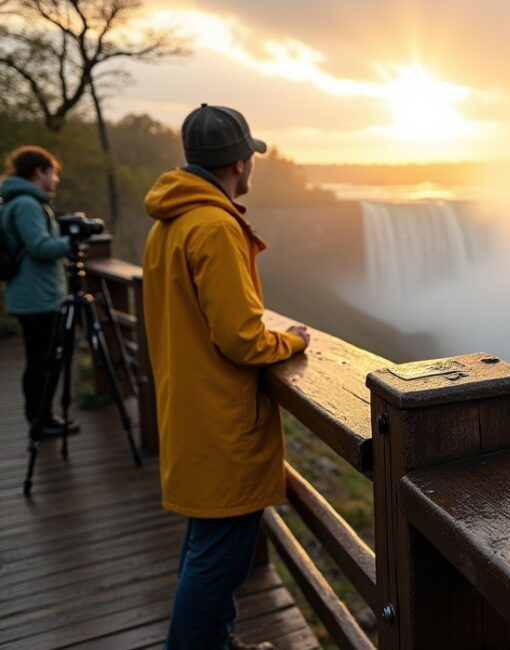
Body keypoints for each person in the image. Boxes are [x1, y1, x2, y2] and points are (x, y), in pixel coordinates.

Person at [142, 104, 311, 650]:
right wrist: (292, 342)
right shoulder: (214, 226)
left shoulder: (169, 224)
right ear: (239, 163)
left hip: (190, 412)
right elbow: (240, 337)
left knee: (205, 544)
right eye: (252, 157)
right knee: (219, 560)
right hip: (222, 422)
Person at [1, 146, 79, 436]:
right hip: (36, 296)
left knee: (41, 358)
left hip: (33, 293)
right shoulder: (26, 205)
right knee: (42, 359)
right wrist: (73, 242)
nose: (56, 179)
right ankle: (39, 420)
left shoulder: (20, 201)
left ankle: (42, 417)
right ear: (39, 172)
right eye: (53, 172)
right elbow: (40, 246)